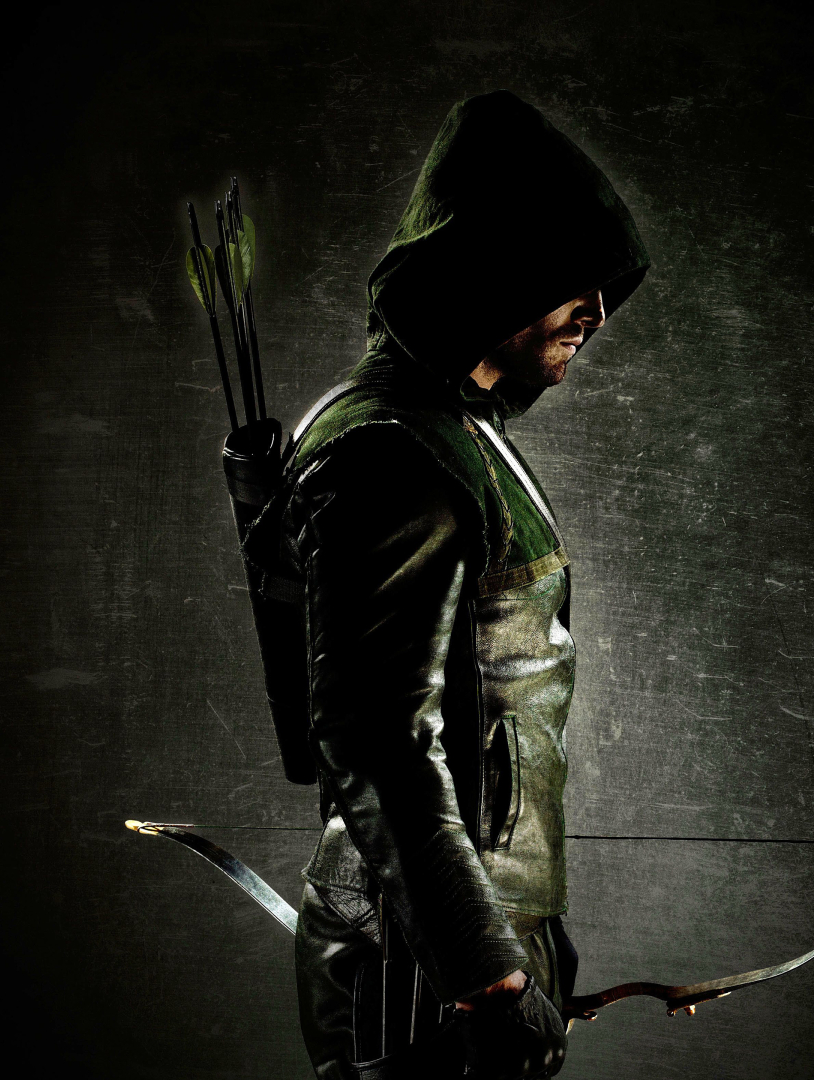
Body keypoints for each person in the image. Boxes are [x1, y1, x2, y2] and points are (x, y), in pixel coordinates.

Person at [281, 90, 650, 1079]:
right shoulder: (392, 450)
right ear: (493, 273)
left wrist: (525, 940)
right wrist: (485, 970)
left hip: (474, 938)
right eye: (569, 280)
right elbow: (375, 736)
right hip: (423, 966)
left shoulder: (458, 433)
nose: (595, 311)